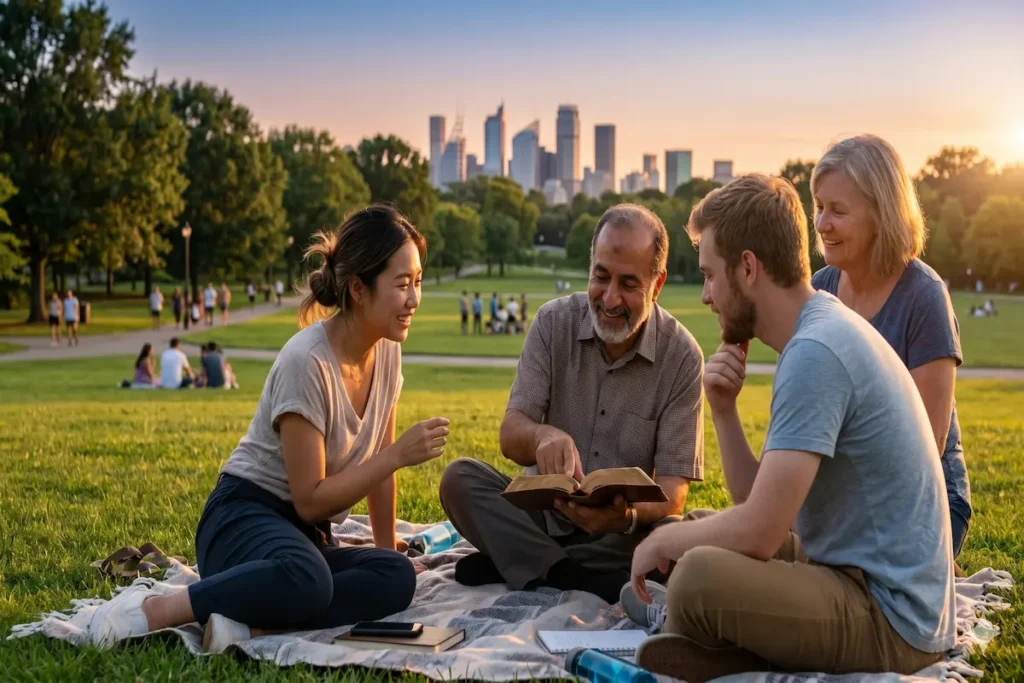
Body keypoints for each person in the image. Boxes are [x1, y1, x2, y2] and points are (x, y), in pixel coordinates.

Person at [625, 175, 954, 682]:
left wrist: (664, 548)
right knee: (691, 533)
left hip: (893, 619)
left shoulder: (815, 352)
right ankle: (726, 646)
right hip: (849, 570)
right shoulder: (818, 329)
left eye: (711, 276)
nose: (708, 296)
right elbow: (759, 502)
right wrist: (723, 409)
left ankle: (702, 628)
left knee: (693, 573)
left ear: (748, 268)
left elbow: (759, 533)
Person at [90, 204, 449, 653]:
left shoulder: (387, 352)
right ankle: (153, 611)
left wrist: (385, 547)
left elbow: (378, 470)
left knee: (393, 577)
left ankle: (251, 628)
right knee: (307, 579)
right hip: (241, 519)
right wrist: (397, 454)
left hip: (303, 539)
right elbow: (311, 498)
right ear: (359, 288)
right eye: (402, 284)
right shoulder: (308, 362)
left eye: (417, 282)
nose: (414, 299)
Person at [439, 204, 704, 604]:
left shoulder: (682, 355)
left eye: (629, 284)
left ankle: (521, 562)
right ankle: (569, 573)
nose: (610, 298)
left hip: (620, 534)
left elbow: (672, 490)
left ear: (658, 283)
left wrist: (626, 516)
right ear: (589, 267)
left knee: (677, 538)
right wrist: (542, 436)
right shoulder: (552, 322)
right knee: (460, 479)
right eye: (601, 277)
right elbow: (512, 434)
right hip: (543, 518)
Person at [809, 135, 972, 558]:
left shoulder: (924, 296)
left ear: (881, 215)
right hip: (841, 495)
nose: (822, 223)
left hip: (925, 502)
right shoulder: (821, 290)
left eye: (838, 211)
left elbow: (925, 447)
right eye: (819, 207)